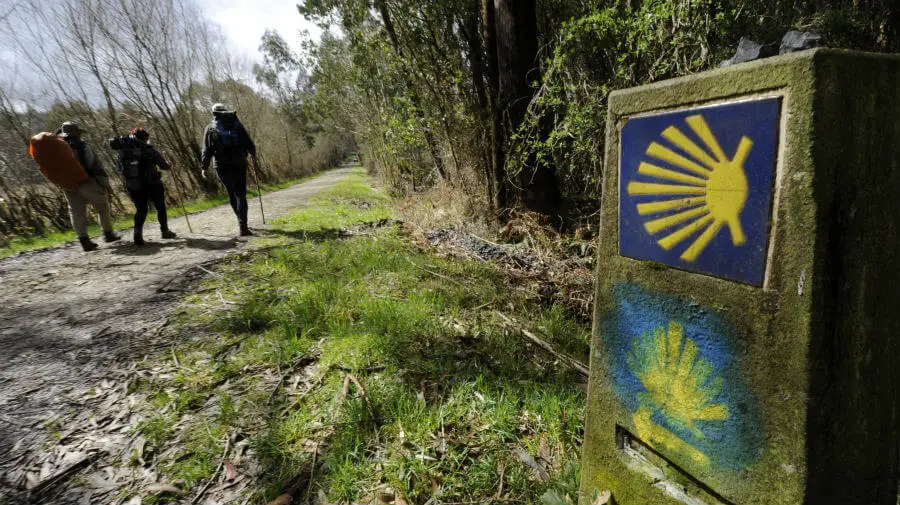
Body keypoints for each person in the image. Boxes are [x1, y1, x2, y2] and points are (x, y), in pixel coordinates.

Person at [57, 122, 120, 251]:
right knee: (102, 207)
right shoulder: (82, 146)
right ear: (77, 134)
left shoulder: (58, 149)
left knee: (76, 212)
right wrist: (104, 183)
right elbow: (92, 165)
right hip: (87, 182)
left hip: (68, 185)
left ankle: (84, 240)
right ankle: (108, 234)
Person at [110, 128, 177, 245]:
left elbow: (119, 169)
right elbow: (165, 166)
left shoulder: (123, 153)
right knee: (160, 207)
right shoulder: (150, 150)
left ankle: (137, 235)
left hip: (134, 185)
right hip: (153, 183)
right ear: (146, 139)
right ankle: (164, 231)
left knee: (141, 209)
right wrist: (169, 163)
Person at [200, 103, 257, 236]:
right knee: (241, 195)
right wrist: (253, 154)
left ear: (213, 113)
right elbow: (247, 140)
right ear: (225, 111)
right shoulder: (236, 124)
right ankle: (243, 226)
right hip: (239, 163)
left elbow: (206, 149)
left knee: (232, 194)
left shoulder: (210, 128)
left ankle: (240, 221)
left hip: (221, 165)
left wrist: (204, 167)